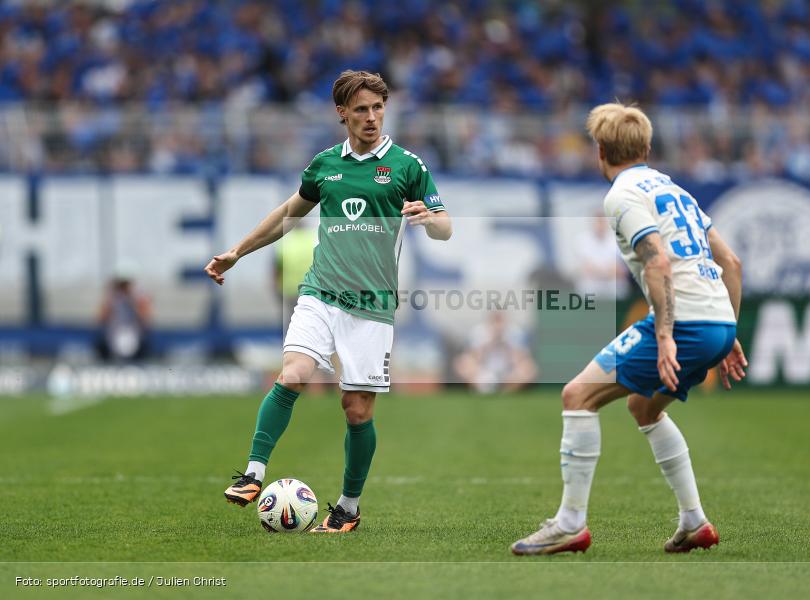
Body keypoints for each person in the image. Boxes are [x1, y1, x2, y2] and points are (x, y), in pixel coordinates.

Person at [205, 70, 452, 532]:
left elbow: (445, 226)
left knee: (356, 409)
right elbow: (286, 216)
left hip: (372, 305)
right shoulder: (324, 166)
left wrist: (428, 217)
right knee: (293, 373)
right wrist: (237, 251)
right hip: (320, 292)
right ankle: (254, 474)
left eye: (378, 108)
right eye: (361, 109)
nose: (372, 117)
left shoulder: (407, 166)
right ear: (342, 113)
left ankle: (348, 508)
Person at [510, 103, 747, 555]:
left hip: (687, 323)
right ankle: (694, 521)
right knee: (644, 407)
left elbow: (657, 259)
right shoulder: (676, 190)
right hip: (716, 320)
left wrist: (663, 335)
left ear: (599, 151)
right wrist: (730, 331)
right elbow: (730, 263)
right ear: (648, 147)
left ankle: (569, 523)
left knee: (577, 396)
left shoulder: (620, 196)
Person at [453, 311, 537, 393]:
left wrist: (505, 344)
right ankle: (482, 390)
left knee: (529, 368)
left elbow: (521, 358)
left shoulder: (515, 331)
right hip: (485, 370)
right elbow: (473, 357)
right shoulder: (479, 331)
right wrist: (491, 342)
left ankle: (507, 392)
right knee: (463, 363)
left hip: (509, 370)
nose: (498, 325)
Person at [96, 266, 152, 362]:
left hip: (133, 334)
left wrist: (133, 302)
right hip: (115, 333)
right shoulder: (113, 297)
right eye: (121, 284)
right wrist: (111, 301)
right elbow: (101, 319)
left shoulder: (138, 297)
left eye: (125, 284)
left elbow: (145, 319)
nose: (123, 288)